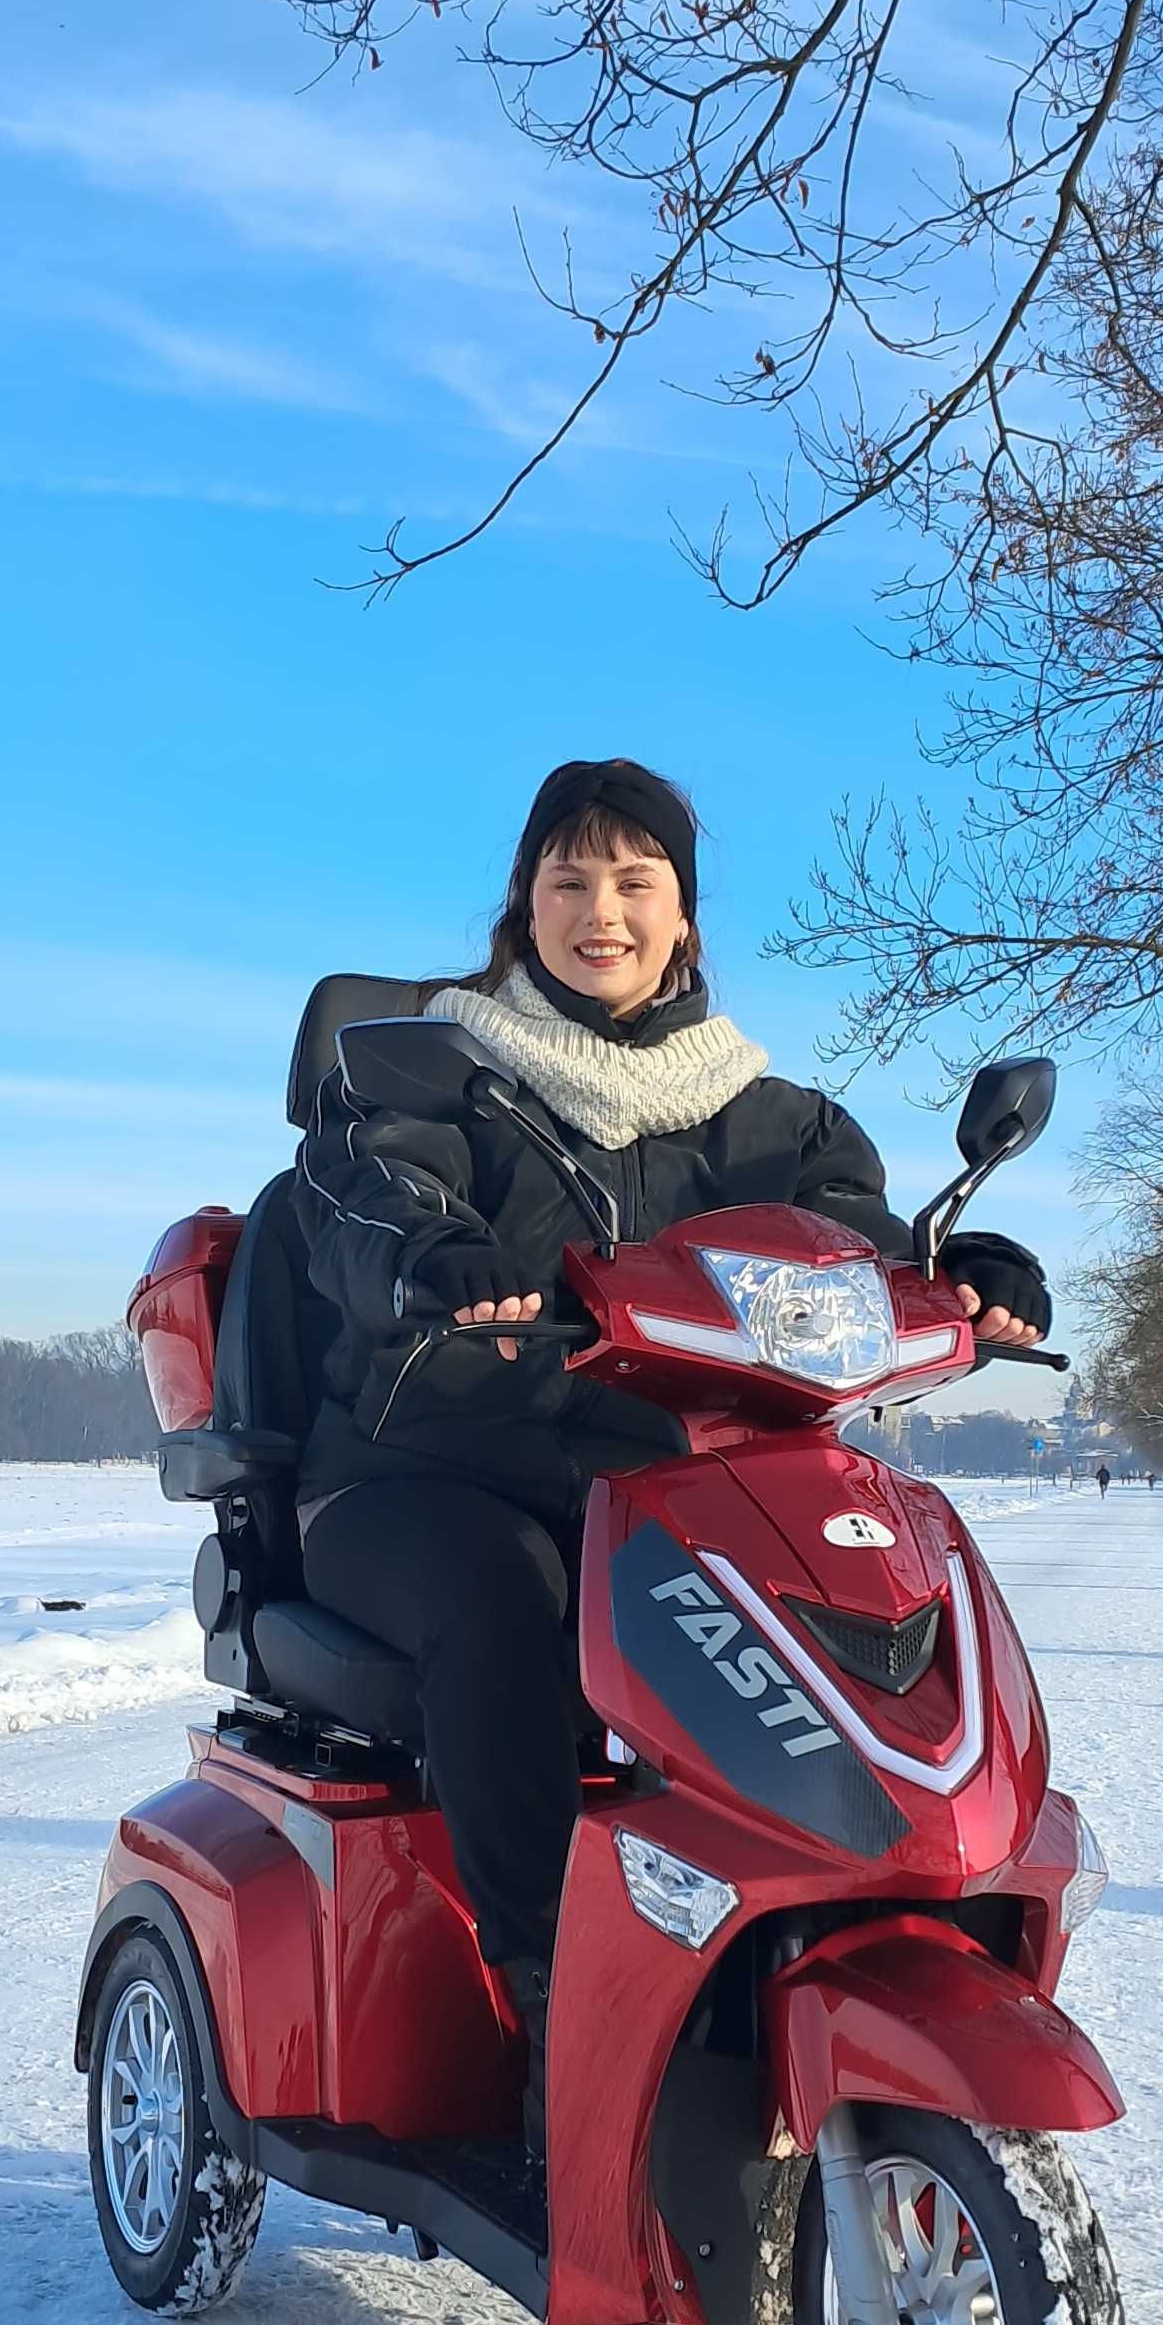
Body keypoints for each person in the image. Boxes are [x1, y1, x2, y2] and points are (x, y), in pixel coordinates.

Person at [295, 758, 1050, 2172]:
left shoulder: (774, 1120)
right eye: (570, 881)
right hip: (426, 1469)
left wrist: (964, 1276)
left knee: (859, 1582)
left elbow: (863, 1248)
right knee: (511, 1605)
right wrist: (431, 1253)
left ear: (686, 919)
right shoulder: (436, 1073)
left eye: (636, 883)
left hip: (666, 1484)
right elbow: (367, 1192)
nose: (603, 911)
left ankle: (818, 1937)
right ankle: (541, 1999)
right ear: (522, 906)